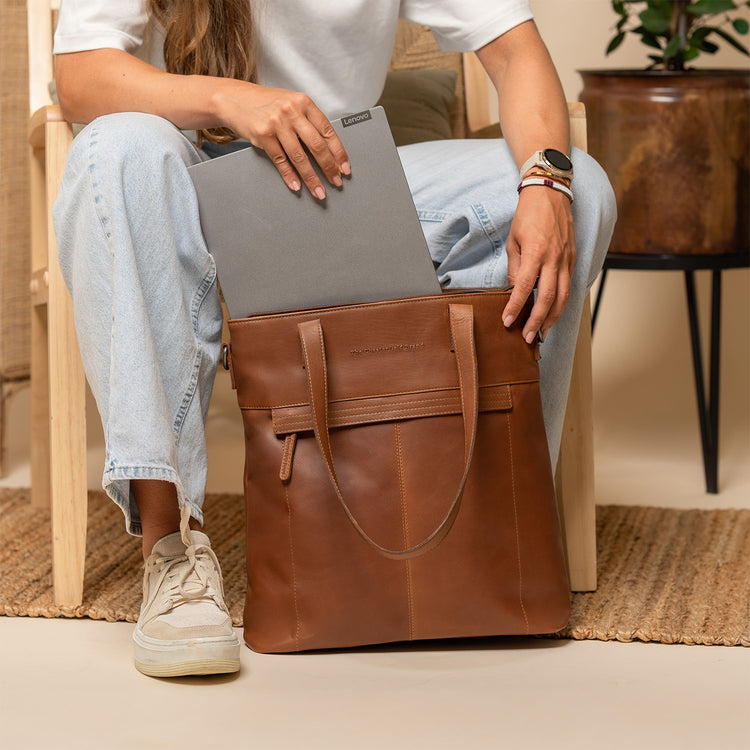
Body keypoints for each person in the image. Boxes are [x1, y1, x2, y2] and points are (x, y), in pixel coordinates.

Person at [51, 0, 616, 678]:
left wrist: (545, 179)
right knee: (116, 150)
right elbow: (80, 75)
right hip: (177, 191)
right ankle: (173, 552)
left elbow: (515, 52)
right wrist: (230, 100)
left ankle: (489, 521)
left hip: (328, 186)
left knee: (582, 192)